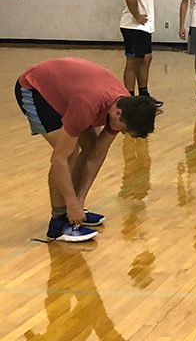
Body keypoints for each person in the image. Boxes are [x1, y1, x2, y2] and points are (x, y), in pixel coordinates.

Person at [14, 58, 157, 242]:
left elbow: (98, 153)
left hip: (68, 91)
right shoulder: (88, 104)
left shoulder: (122, 105)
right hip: (35, 88)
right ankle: (58, 222)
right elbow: (58, 160)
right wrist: (71, 203)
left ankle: (73, 210)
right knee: (68, 153)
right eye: (124, 129)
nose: (121, 133)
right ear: (118, 113)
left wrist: (80, 200)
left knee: (91, 147)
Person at [119, 0, 163, 109]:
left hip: (142, 27)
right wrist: (136, 16)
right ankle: (127, 100)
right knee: (133, 62)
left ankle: (143, 96)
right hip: (134, 27)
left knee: (146, 58)